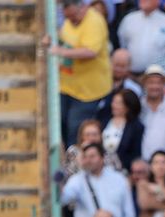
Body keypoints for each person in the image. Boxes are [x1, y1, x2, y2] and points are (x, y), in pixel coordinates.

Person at [51, 0, 113, 153]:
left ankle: (77, 165)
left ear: (83, 7)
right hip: (67, 86)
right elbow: (64, 39)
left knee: (75, 129)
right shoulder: (68, 22)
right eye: (68, 17)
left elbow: (90, 51)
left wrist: (61, 52)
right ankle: (63, 162)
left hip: (88, 91)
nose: (72, 20)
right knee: (60, 125)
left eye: (74, 16)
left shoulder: (94, 21)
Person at [61, 143, 135, 217]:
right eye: (85, 157)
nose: (88, 160)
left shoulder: (118, 179)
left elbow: (128, 210)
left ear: (102, 158)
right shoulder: (77, 180)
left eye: (92, 156)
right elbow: (64, 198)